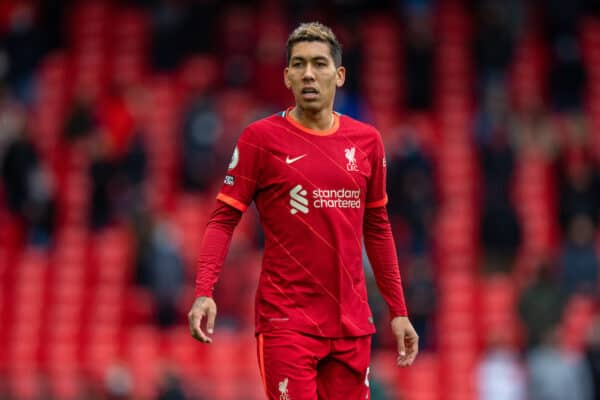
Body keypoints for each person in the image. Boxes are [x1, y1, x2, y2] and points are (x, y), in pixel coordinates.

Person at [188, 22, 418, 399]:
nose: (309, 73)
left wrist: (399, 311)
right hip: (287, 322)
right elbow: (223, 217)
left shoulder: (367, 143)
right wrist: (203, 291)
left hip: (352, 325)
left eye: (319, 63)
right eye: (298, 64)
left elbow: (377, 229)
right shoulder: (261, 139)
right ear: (287, 76)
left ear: (339, 74)